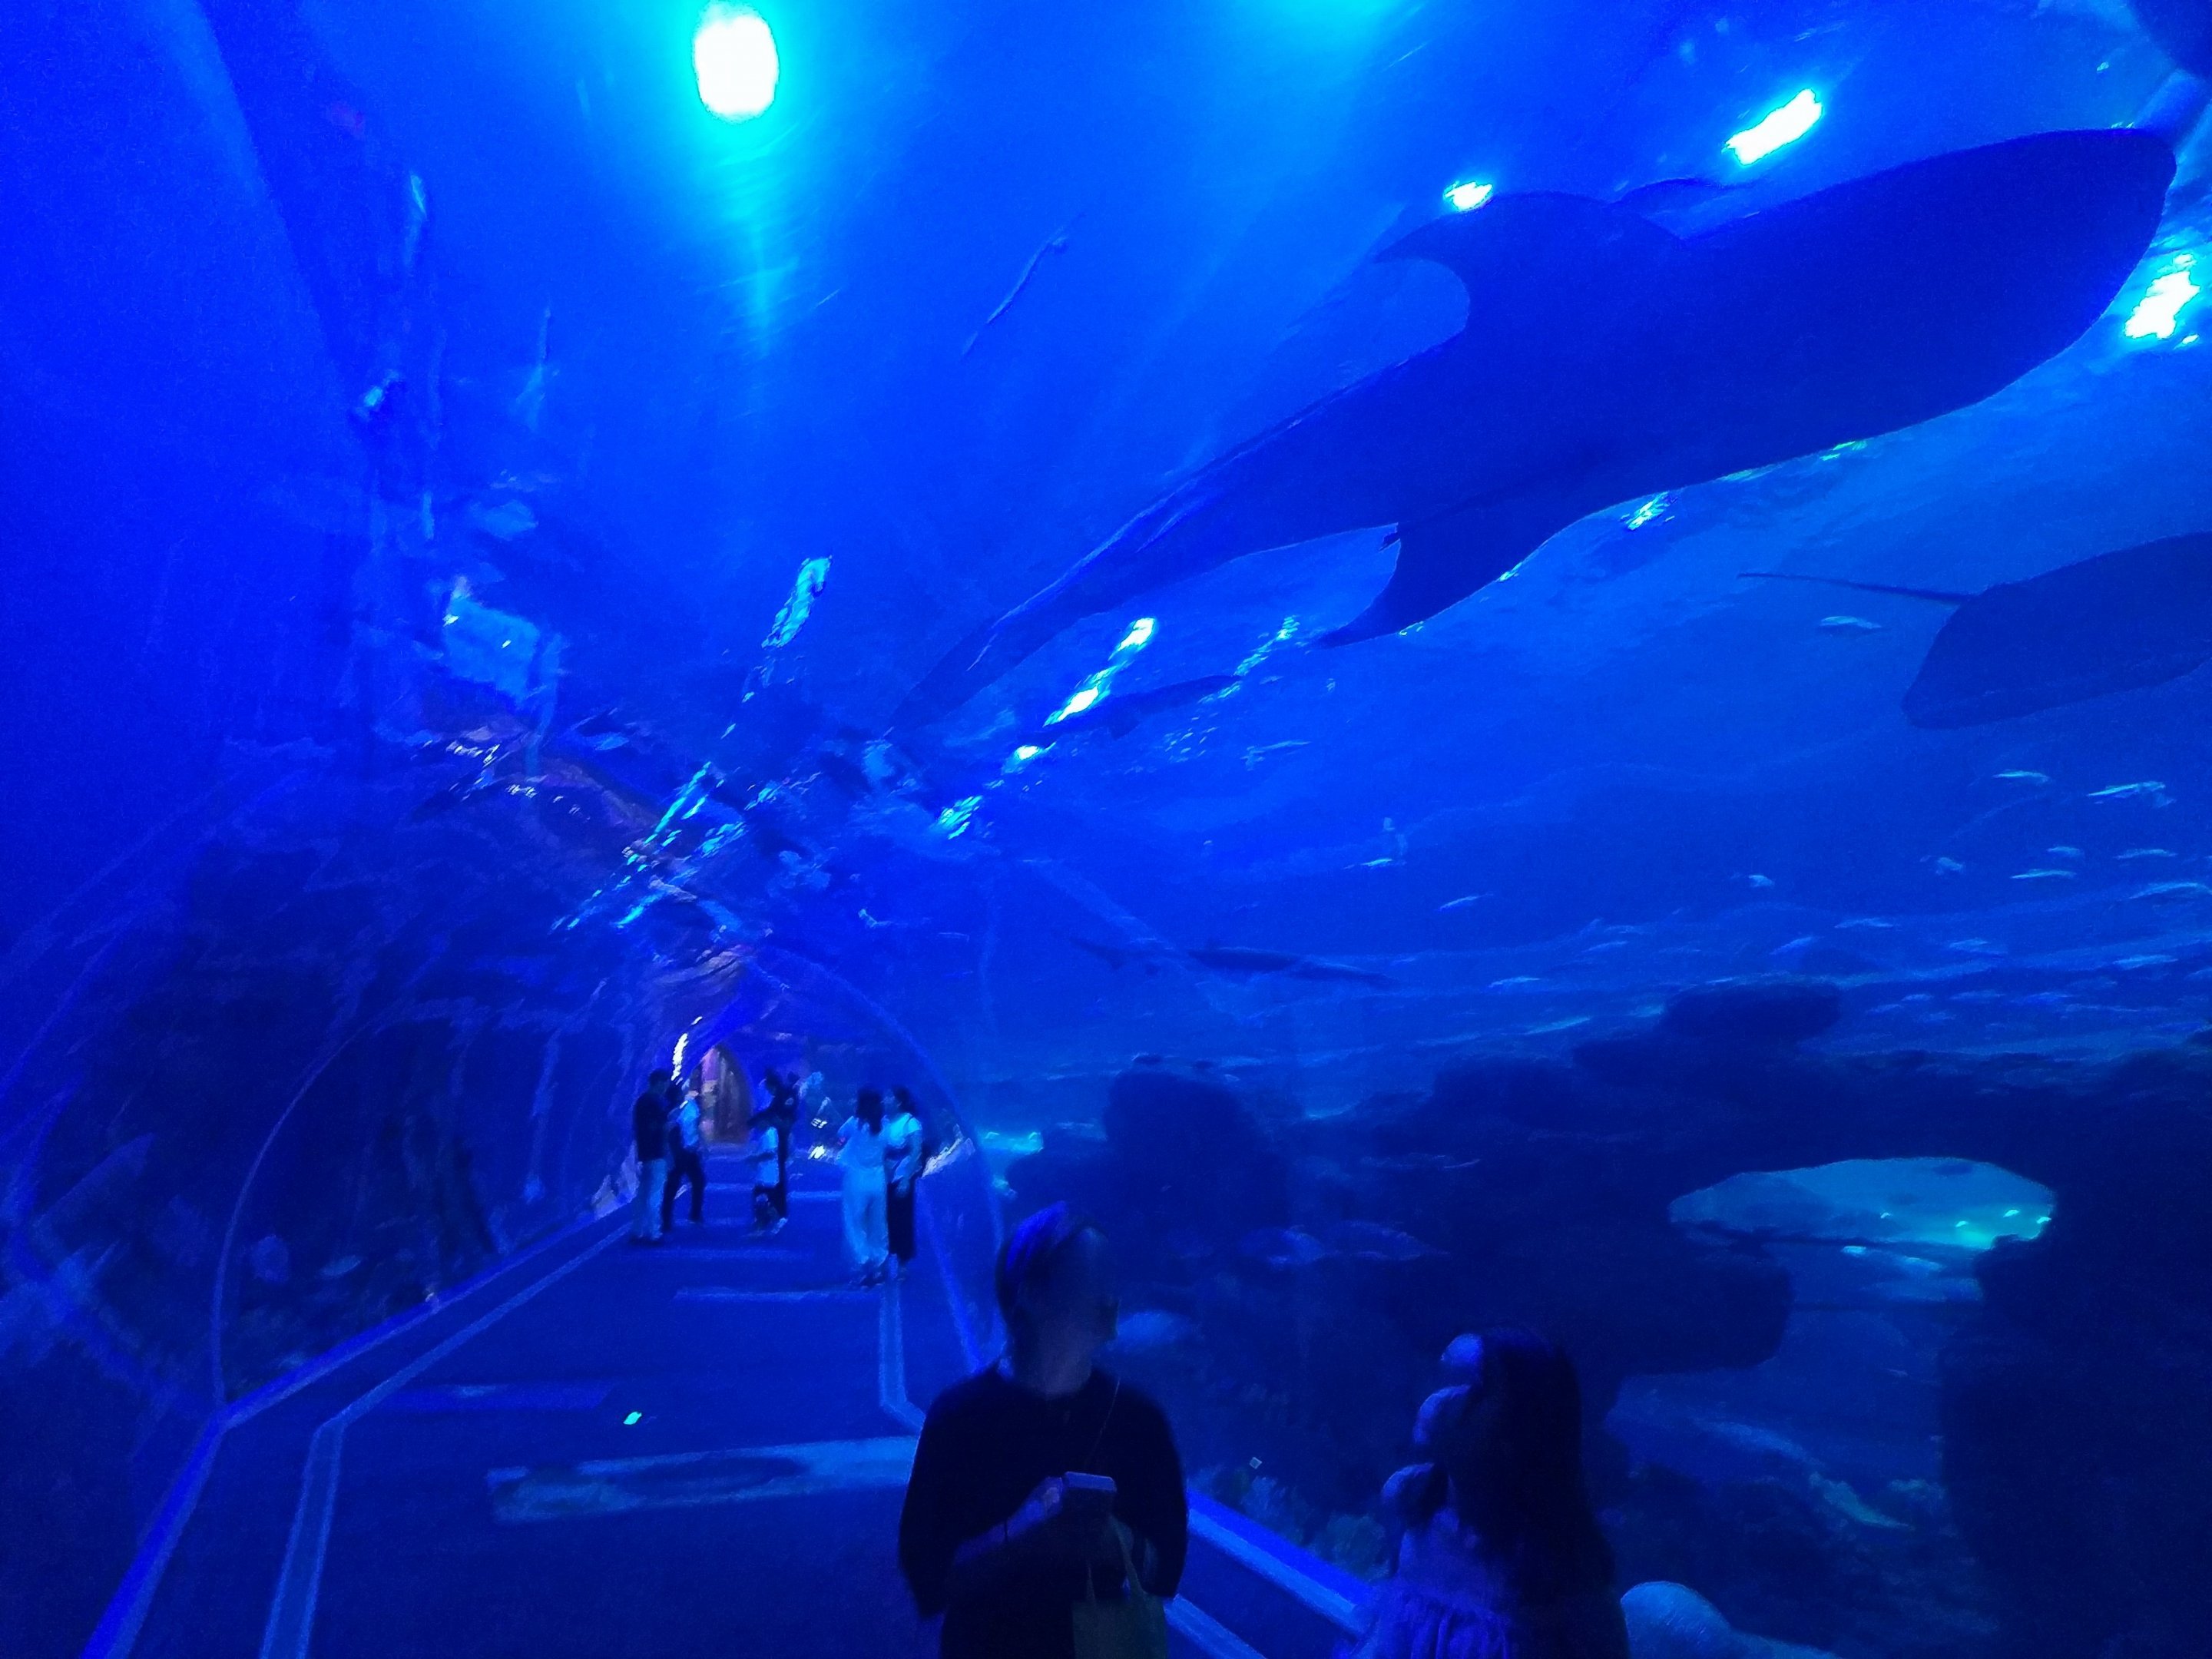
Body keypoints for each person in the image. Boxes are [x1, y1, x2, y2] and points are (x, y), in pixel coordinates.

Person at [899, 1204, 1187, 1659]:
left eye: (1109, 1280)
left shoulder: (1139, 1421)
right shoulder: (960, 1419)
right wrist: (1017, 1535)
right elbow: (928, 1579)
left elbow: (1167, 1571)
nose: (1109, 1299)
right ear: (1031, 1294)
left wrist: (1118, 1542)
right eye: (1089, 1280)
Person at [1357, 1330, 1630, 1659]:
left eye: (1473, 1389)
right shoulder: (1418, 1512)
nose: (1440, 1400)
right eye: (1444, 1377)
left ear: (1522, 1427)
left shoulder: (1565, 1576)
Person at [838, 1089, 893, 1284]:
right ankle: (880, 1263)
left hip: (856, 1179)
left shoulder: (855, 1124)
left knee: (855, 1223)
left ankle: (863, 1263)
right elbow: (891, 1147)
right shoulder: (885, 1126)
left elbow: (840, 1135)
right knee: (878, 1223)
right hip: (878, 1179)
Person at [884, 1086, 926, 1272]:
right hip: (882, 1178)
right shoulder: (883, 1122)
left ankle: (902, 1261)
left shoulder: (911, 1123)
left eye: (889, 1097)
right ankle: (883, 1257)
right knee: (884, 1220)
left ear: (899, 1102)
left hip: (901, 1177)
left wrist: (906, 1179)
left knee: (902, 1219)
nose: (885, 1100)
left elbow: (916, 1152)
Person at [630, 1068, 672, 1245]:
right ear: (658, 1083)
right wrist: (668, 1151)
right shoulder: (658, 1103)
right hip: (657, 1154)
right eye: (664, 1083)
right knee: (655, 1194)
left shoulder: (640, 1102)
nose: (666, 1087)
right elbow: (662, 1128)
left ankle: (637, 1231)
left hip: (644, 1153)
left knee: (642, 1194)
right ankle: (655, 1233)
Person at [661, 1079, 707, 1231]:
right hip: (678, 1153)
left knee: (699, 1181)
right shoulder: (670, 1112)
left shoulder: (691, 1104)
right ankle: (665, 1219)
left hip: (691, 1151)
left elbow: (696, 1124)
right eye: (679, 1093)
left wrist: (703, 1143)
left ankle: (695, 1213)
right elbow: (668, 1135)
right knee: (672, 1186)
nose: (682, 1094)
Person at [748, 1103, 784, 1233]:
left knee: (761, 1200)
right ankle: (777, 1220)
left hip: (767, 1175)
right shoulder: (769, 1133)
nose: (757, 1127)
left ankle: (761, 1225)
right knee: (767, 1200)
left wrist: (754, 1158)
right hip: (766, 1175)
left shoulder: (769, 1134)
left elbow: (770, 1153)